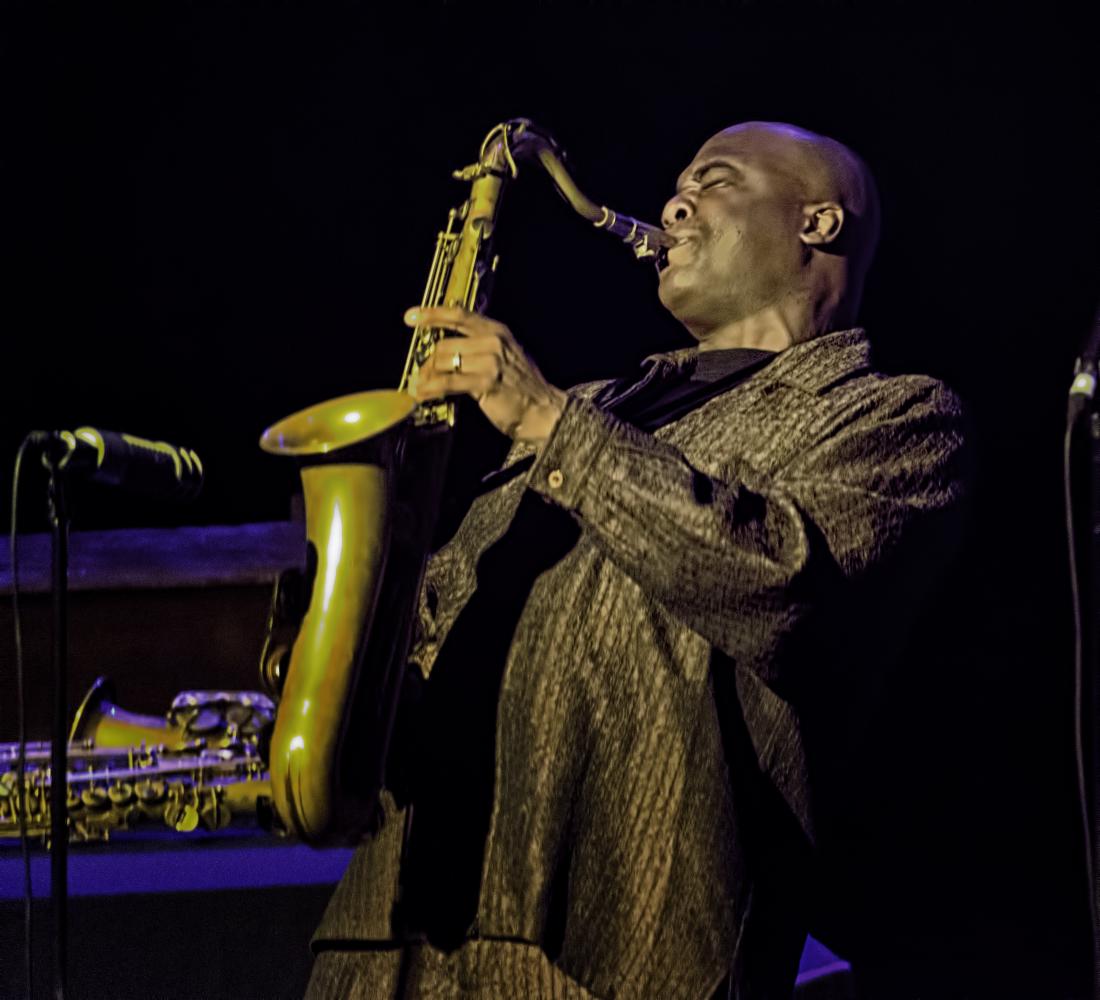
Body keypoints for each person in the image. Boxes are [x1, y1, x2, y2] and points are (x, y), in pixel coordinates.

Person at [304, 121, 967, 999]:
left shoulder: (893, 416)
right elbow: (447, 616)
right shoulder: (596, 405)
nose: (672, 204)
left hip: (611, 957)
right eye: (678, 184)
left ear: (820, 223)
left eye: (715, 180)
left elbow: (782, 586)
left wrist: (552, 424)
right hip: (389, 942)